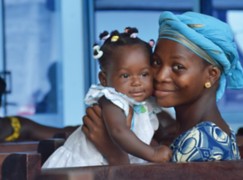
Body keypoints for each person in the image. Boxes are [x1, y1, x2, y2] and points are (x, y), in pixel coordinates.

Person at [82, 11, 243, 163]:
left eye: (178, 67)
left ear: (211, 74)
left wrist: (115, 155)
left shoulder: (204, 145)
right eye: (156, 62)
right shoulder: (184, 130)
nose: (160, 75)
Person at [42, 27, 172, 168]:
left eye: (144, 74)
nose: (137, 82)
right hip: (81, 166)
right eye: (125, 76)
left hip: (107, 168)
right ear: (104, 79)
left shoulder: (143, 105)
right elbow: (119, 131)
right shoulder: (112, 100)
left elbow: (139, 137)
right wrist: (152, 153)